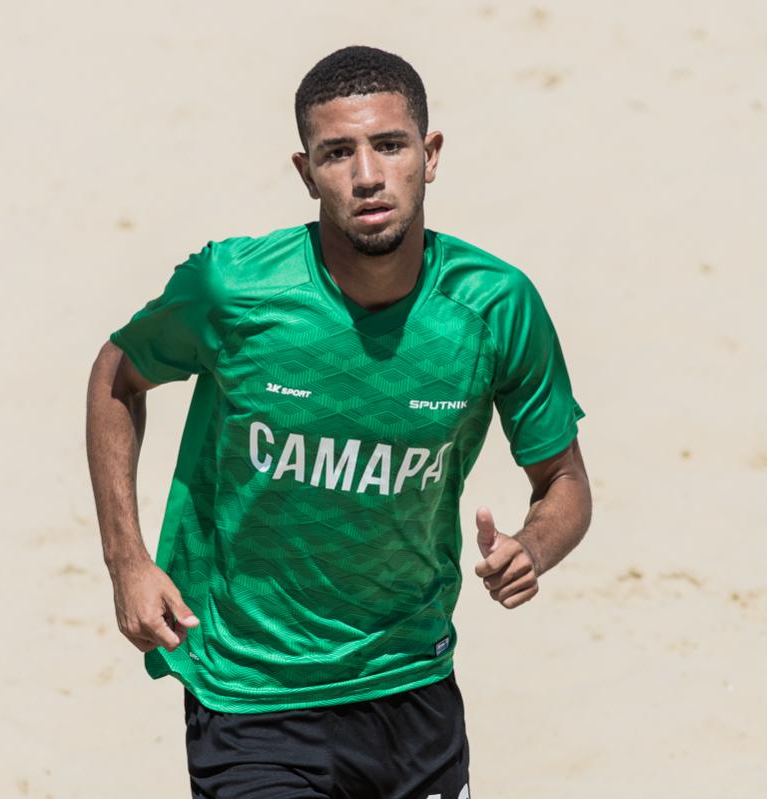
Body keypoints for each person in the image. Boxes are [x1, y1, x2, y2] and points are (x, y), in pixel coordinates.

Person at [85, 45, 592, 799]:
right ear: (305, 172)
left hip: (411, 680)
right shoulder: (233, 290)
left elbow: (564, 481)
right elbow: (117, 375)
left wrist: (534, 548)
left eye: (389, 145)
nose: (367, 175)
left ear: (429, 155)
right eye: (337, 153)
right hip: (252, 690)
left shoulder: (494, 306)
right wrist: (126, 560)